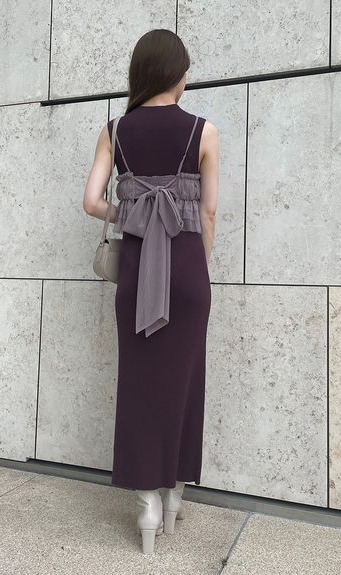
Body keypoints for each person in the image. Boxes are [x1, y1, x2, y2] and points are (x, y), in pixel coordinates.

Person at [83, 28, 219, 554]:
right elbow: (208, 212)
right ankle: (175, 496)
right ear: (179, 75)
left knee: (140, 385)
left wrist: (134, 211)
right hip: (188, 271)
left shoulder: (114, 131)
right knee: (186, 382)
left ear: (140, 73)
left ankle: (146, 507)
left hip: (139, 271)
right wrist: (198, 270)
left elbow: (91, 202)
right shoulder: (204, 131)